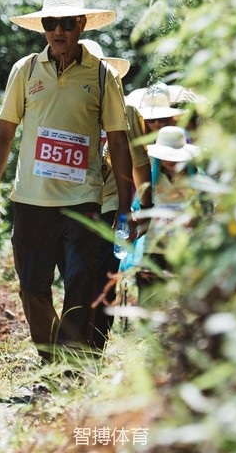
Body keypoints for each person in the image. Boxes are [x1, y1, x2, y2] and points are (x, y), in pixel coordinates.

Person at [0, 0, 134, 362]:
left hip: (83, 200)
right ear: (43, 27)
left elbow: (118, 141)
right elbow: (3, 134)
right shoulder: (26, 69)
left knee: (80, 285)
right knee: (32, 287)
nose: (59, 30)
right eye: (51, 23)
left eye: (67, 23)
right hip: (31, 199)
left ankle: (69, 365)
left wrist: (127, 206)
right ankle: (54, 357)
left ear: (81, 25)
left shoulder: (101, 76)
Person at [79, 40, 151, 351]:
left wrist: (143, 207)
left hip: (109, 204)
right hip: (73, 200)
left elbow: (139, 162)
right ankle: (75, 341)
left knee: (104, 276)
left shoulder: (128, 111)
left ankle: (95, 345)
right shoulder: (70, 104)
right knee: (77, 275)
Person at [135, 125, 203, 302]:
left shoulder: (198, 180)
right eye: (166, 155)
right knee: (149, 299)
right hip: (154, 248)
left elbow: (207, 212)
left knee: (182, 299)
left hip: (185, 248)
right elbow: (138, 209)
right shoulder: (148, 180)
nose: (170, 160)